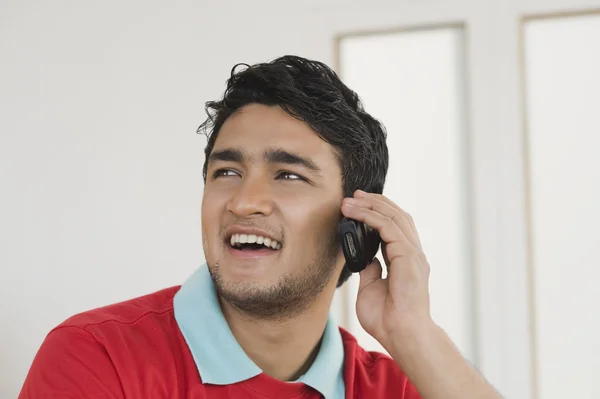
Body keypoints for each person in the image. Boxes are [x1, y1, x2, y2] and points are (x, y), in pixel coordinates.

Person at [19, 55, 502, 398]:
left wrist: (415, 334)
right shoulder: (97, 357)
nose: (244, 202)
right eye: (226, 173)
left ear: (359, 225)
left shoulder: (401, 386)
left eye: (288, 175)